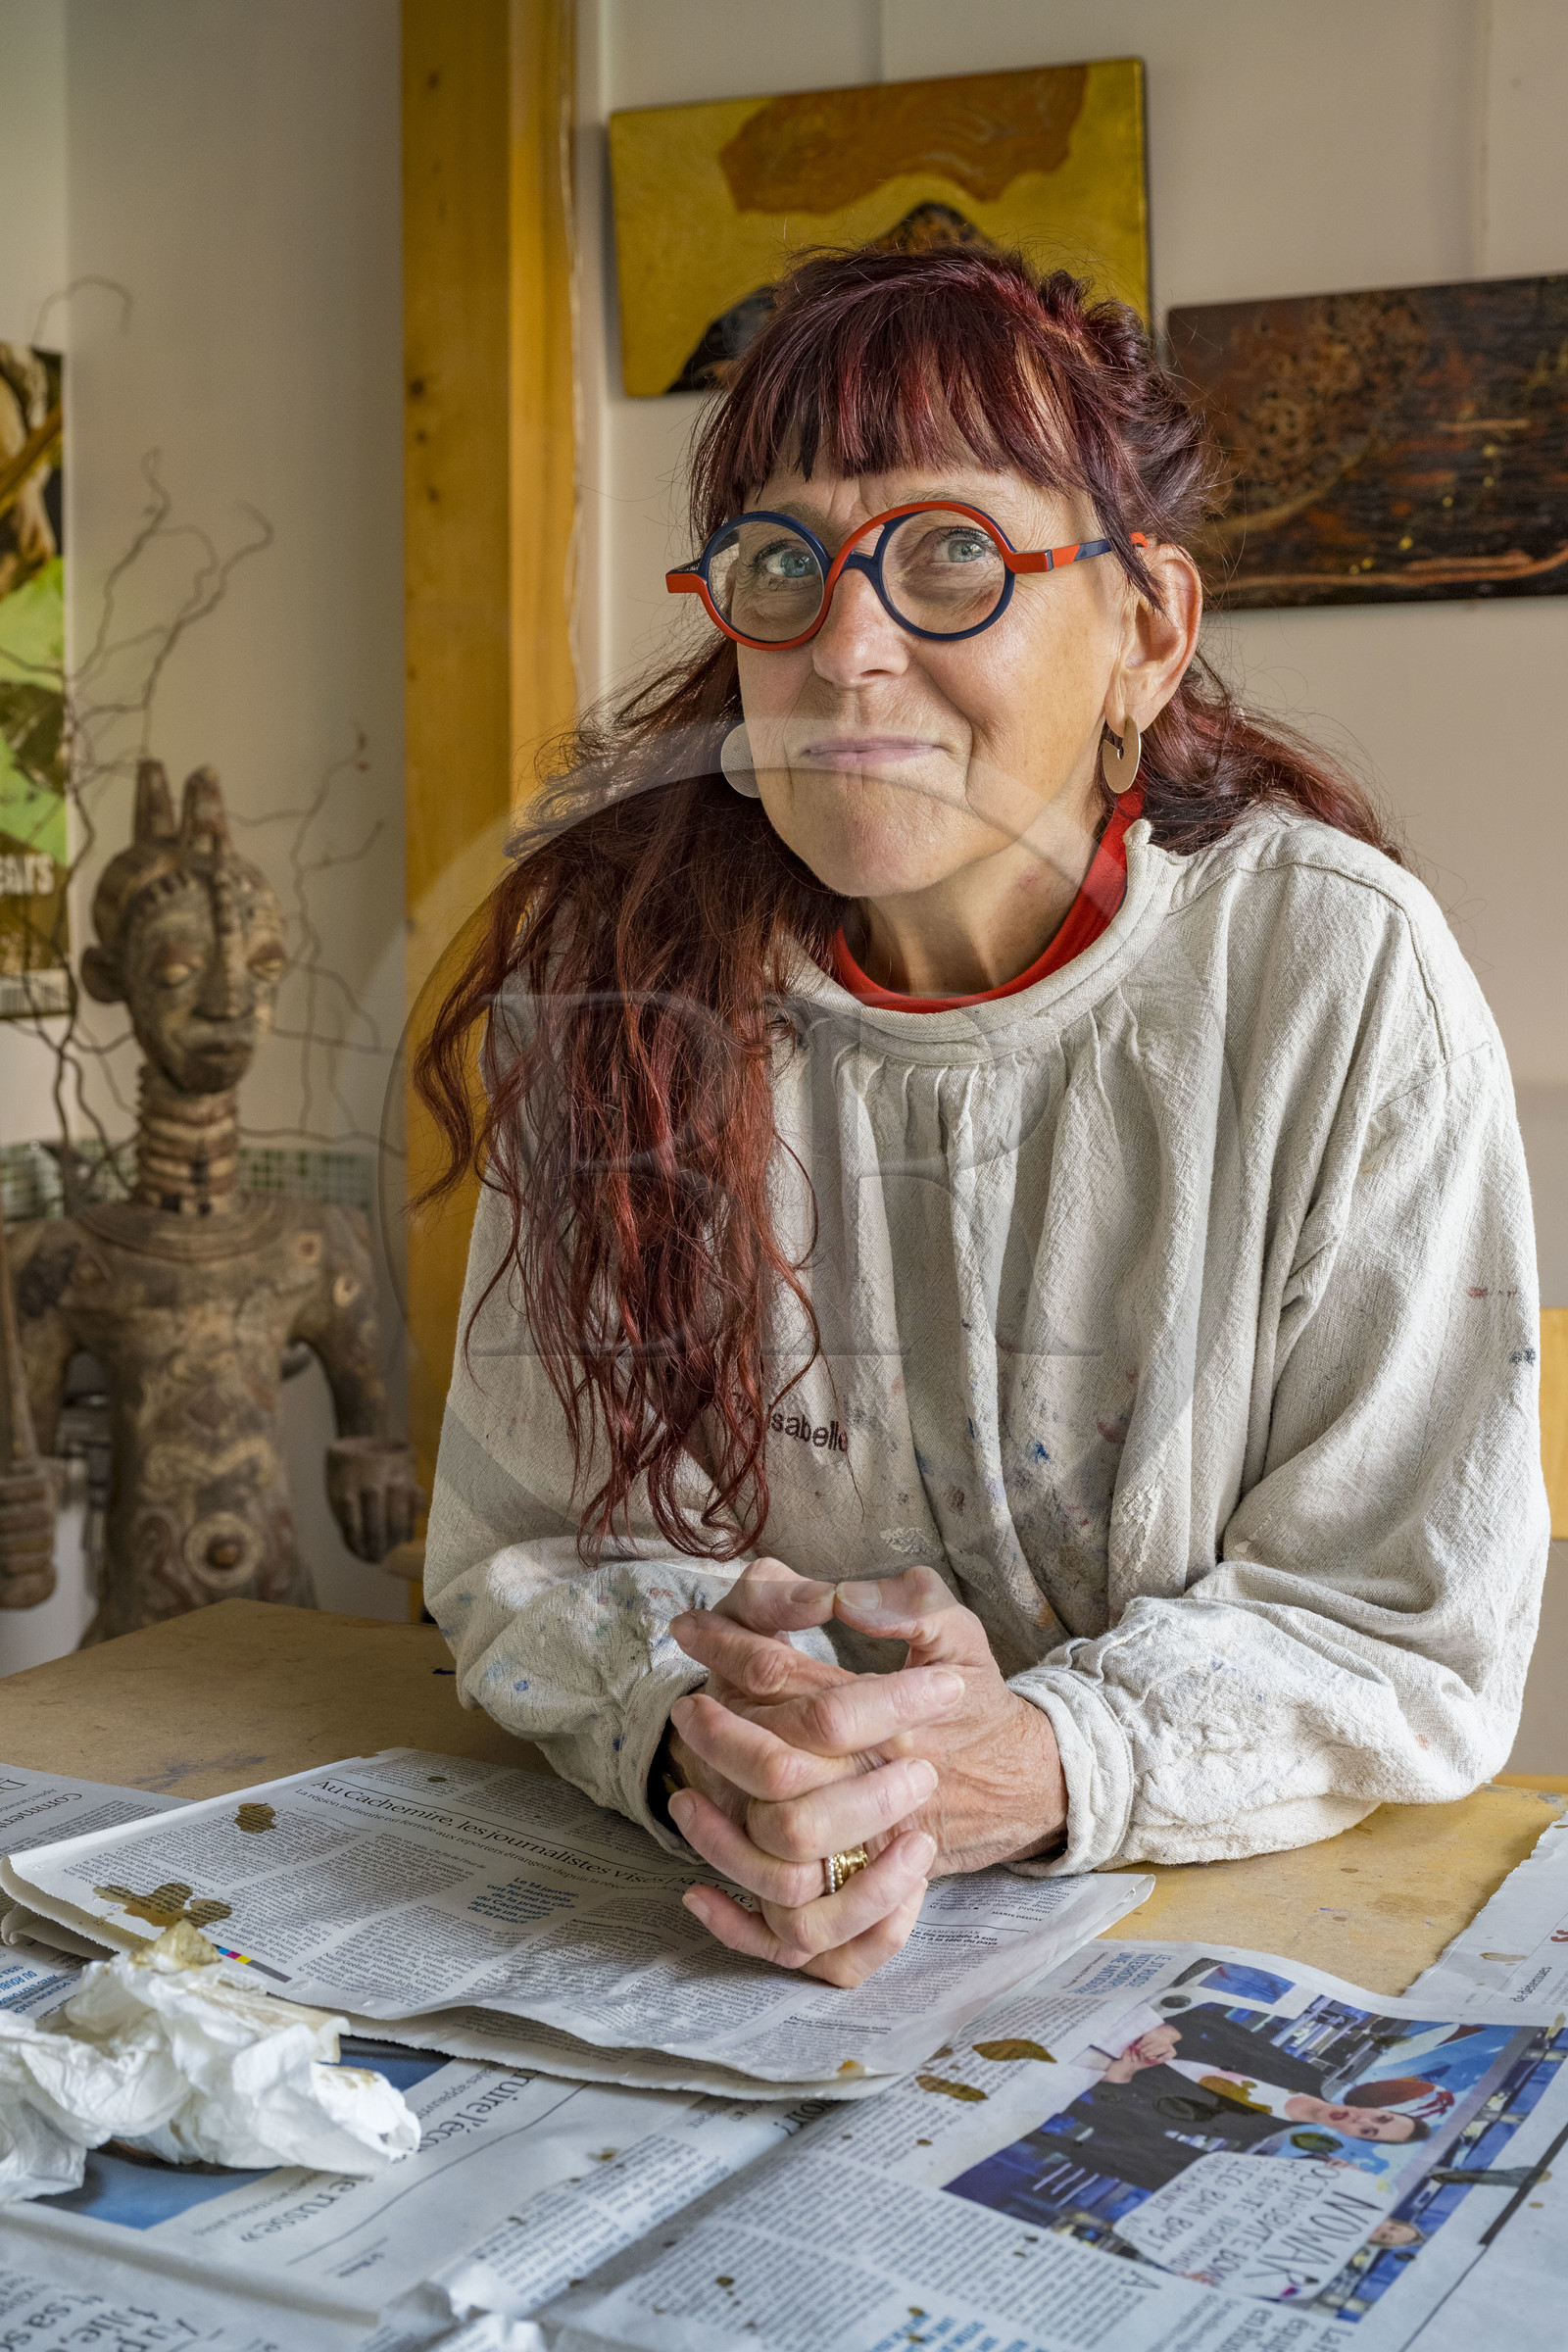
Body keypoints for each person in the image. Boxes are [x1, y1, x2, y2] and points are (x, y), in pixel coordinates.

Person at [418, 243, 1549, 1990]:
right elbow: (533, 1553)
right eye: (783, 562)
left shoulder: (1328, 974)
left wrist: (1023, 1762)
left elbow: (1401, 1620)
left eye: (951, 554)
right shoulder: (613, 991)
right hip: (731, 1946)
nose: (847, 651)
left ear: (1145, 635)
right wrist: (724, 1743)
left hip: (1227, 1944)